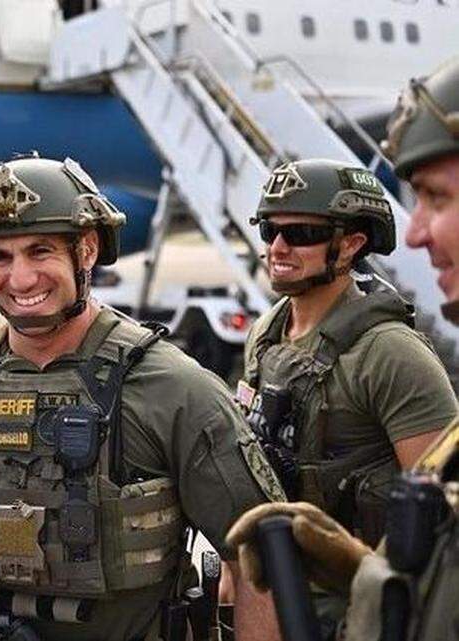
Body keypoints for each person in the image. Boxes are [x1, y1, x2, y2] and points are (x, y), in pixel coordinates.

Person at [0, 155, 285, 641]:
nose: (19, 280)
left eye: (40, 252)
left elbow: (260, 555)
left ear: (86, 251)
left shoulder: (172, 388)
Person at [227, 57, 459, 641]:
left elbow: (438, 523)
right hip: (280, 591)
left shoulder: (391, 354)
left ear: (351, 244)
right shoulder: (267, 336)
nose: (280, 246)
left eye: (302, 234)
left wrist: (363, 577)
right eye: (270, 231)